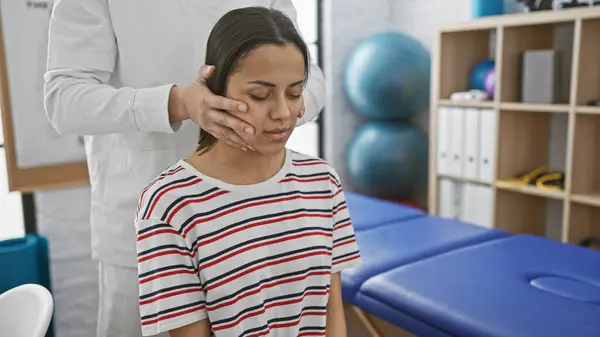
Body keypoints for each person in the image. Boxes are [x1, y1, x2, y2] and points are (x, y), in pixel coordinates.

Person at [43, 1, 325, 336]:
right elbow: (64, 99)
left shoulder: (320, 184)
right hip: (145, 219)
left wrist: (280, 105)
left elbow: (308, 74)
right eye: (262, 94)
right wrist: (177, 103)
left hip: (254, 216)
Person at [134, 6, 360, 337]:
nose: (283, 113)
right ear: (213, 90)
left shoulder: (321, 181)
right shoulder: (169, 205)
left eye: (295, 93)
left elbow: (332, 311)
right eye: (259, 95)